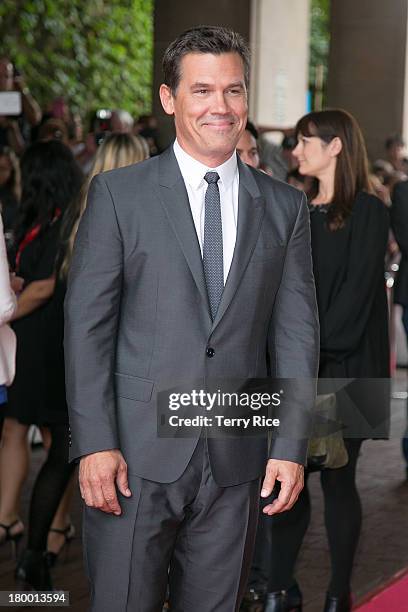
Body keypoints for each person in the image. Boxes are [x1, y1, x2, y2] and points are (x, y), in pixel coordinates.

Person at [65, 26, 319, 612]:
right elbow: (87, 330)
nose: (220, 107)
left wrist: (291, 444)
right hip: (132, 458)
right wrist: (95, 444)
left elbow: (297, 336)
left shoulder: (284, 208)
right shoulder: (117, 196)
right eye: (202, 90)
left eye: (233, 91)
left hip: (236, 460)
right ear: (168, 98)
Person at [247, 109, 390, 612]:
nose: (296, 150)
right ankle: (281, 589)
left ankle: (337, 592)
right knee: (288, 478)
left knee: (339, 480)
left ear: (335, 147)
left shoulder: (369, 211)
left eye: (305, 141)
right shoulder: (295, 207)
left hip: (345, 368)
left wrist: (298, 350)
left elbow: (355, 302)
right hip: (299, 369)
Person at [0, 141, 83, 582]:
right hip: (28, 339)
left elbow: (45, 284)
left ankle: (53, 527)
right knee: (20, 427)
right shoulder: (36, 217)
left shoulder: (67, 221)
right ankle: (12, 518)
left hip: (50, 337)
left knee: (58, 437)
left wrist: (6, 309)